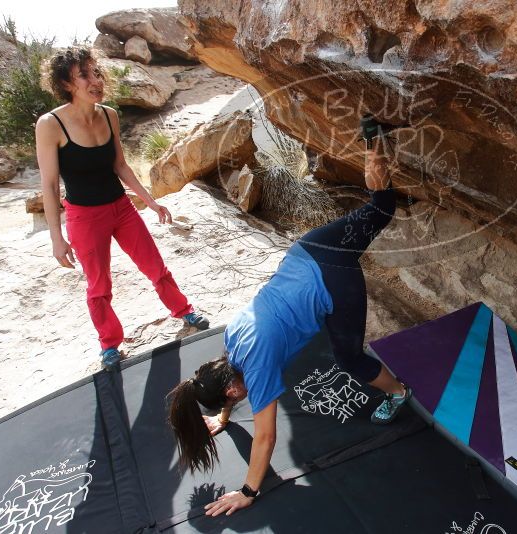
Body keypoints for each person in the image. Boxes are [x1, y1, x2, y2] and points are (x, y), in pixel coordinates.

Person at [167, 122, 410, 517]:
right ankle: (372, 139)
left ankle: (400, 393)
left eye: (232, 402)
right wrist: (222, 418)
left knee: (348, 358)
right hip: (309, 249)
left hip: (333, 283)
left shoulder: (258, 368)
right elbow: (226, 387)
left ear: (232, 391)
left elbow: (265, 437)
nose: (241, 399)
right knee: (381, 207)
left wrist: (247, 491)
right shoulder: (232, 340)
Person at [35, 48, 210, 369]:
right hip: (84, 217)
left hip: (120, 207)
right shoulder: (51, 125)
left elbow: (121, 165)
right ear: (66, 83)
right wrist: (56, 238)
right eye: (84, 75)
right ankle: (110, 344)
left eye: (96, 72)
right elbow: (48, 185)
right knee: (99, 285)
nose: (95, 80)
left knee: (155, 265)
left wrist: (151, 201)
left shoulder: (109, 115)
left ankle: (184, 311)